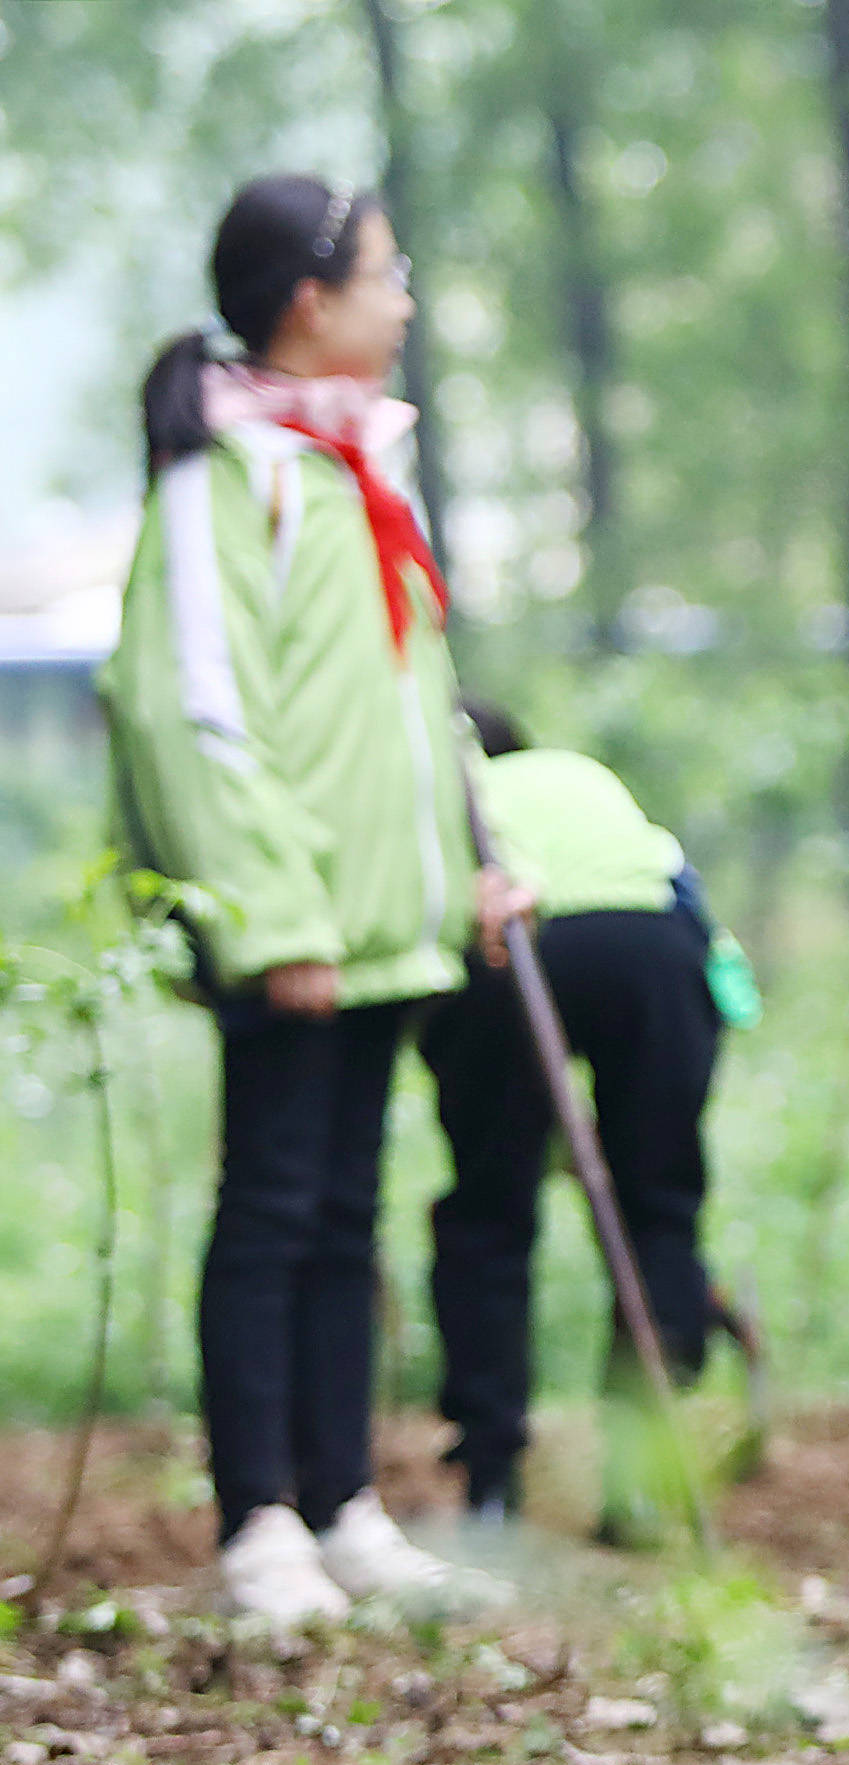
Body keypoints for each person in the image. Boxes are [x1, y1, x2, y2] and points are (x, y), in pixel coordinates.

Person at [100, 173, 513, 1620]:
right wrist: (271, 921)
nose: (402, 302)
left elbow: (413, 697)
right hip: (296, 931)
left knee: (346, 1206)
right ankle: (257, 1518)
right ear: (307, 301)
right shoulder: (226, 473)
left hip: (380, 921)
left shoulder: (354, 465)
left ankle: (342, 1505)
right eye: (385, 277)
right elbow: (190, 715)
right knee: (271, 1205)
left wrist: (475, 856)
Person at [423, 701, 749, 1534]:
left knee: (489, 1215)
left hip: (517, 943)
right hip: (652, 946)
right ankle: (639, 1483)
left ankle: (491, 1484)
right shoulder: (582, 778)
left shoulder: (441, 790)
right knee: (658, 1214)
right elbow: (696, 914)